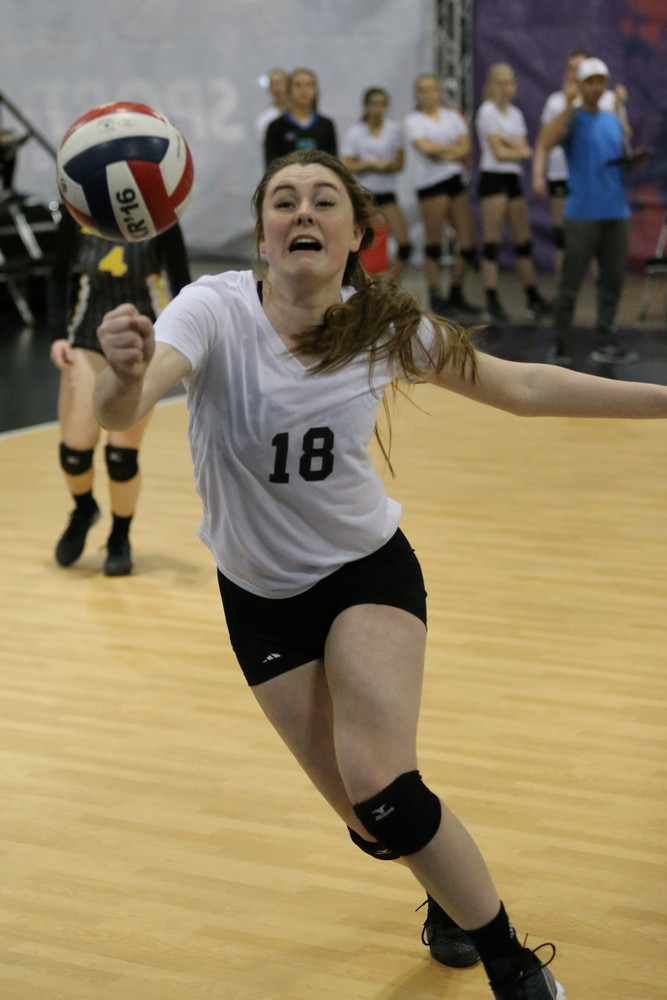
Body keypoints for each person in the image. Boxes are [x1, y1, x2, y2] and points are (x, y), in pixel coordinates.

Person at [93, 148, 667, 1000]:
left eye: (323, 200)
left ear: (356, 233)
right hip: (258, 597)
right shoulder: (210, 310)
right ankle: (441, 892)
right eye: (284, 200)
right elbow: (122, 412)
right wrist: (124, 372)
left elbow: (523, 389)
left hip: (364, 572)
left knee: (384, 788)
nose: (302, 211)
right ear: (260, 235)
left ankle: (512, 962)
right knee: (373, 826)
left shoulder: (385, 328)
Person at [49, 211, 191, 574]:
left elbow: (183, 285)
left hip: (141, 344)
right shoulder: (78, 211)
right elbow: (58, 272)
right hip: (87, 338)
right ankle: (84, 511)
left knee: (121, 456)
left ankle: (119, 536)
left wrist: (180, 347)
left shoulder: (160, 214)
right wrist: (57, 335)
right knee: (74, 453)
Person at [541, 57, 636, 367]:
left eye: (600, 81)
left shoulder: (612, 119)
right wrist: (569, 105)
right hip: (582, 213)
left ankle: (606, 340)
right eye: (590, 82)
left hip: (616, 211)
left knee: (612, 282)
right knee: (570, 282)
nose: (596, 87)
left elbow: (622, 156)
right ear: (580, 86)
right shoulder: (572, 117)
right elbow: (547, 141)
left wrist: (634, 162)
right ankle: (559, 342)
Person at [532, 50, 631, 277]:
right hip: (561, 174)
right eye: (571, 67)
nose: (574, 71)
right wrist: (538, 174)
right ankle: (563, 289)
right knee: (562, 238)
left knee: (599, 238)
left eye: (580, 67)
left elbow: (623, 137)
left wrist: (618, 107)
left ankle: (599, 289)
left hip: (595, 179)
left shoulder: (607, 100)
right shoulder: (557, 101)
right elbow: (543, 141)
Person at [475, 64, 550, 324]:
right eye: (501, 83)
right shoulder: (487, 111)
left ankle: (532, 295)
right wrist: (513, 148)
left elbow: (524, 149)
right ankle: (491, 298)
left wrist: (511, 147)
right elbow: (500, 152)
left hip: (512, 178)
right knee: (493, 240)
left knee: (523, 240)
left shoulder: (515, 114)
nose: (506, 89)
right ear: (491, 85)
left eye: (510, 83)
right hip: (493, 177)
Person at [403, 73, 481, 317]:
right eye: (423, 90)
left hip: (453, 180)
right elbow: (426, 149)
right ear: (417, 94)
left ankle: (456, 291)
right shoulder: (414, 120)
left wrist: (443, 152)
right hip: (430, 183)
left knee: (468, 243)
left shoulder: (452, 117)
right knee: (434, 242)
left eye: (432, 89)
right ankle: (435, 292)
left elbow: (465, 148)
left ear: (439, 92)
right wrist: (451, 150)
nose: (428, 94)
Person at [342, 86, 412, 280]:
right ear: (366, 106)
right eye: (373, 104)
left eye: (381, 104)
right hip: (365, 194)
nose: (377, 109)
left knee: (405, 245)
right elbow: (347, 164)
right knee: (361, 245)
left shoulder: (394, 130)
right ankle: (362, 285)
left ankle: (389, 286)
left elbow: (399, 164)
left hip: (387, 193)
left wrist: (378, 166)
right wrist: (371, 164)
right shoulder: (356, 132)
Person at [264, 67, 337, 167]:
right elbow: (271, 166)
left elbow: (334, 164)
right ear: (289, 90)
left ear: (315, 91)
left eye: (309, 85)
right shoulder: (275, 126)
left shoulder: (326, 125)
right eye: (298, 85)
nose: (303, 90)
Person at [254, 68, 290, 144]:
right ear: (270, 89)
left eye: (281, 83)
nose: (278, 89)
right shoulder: (264, 120)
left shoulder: (302, 114)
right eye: (274, 84)